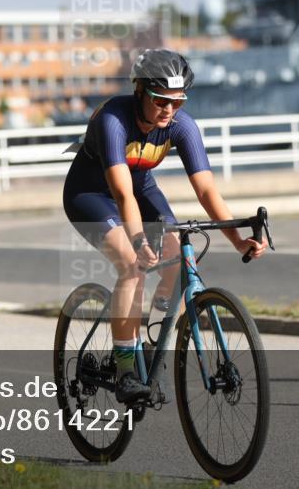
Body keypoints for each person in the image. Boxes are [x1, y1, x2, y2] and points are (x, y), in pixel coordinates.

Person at [63, 49, 268, 403]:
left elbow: (205, 189)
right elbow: (122, 194)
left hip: (140, 189)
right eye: (160, 100)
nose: (169, 110)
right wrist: (138, 239)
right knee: (132, 265)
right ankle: (126, 368)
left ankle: (152, 339)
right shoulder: (114, 119)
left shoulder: (181, 125)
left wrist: (236, 239)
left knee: (178, 264)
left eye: (177, 102)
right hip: (92, 194)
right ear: (140, 91)